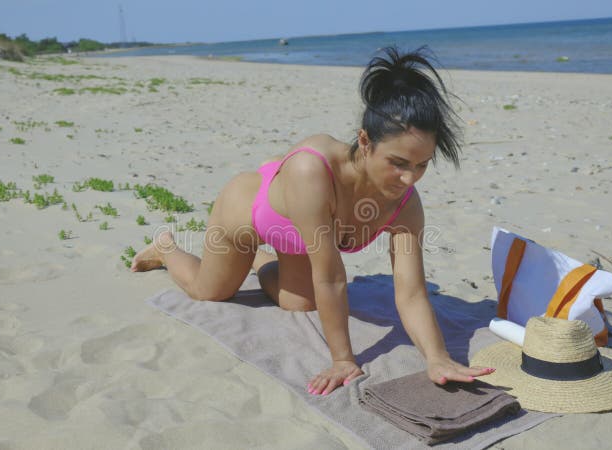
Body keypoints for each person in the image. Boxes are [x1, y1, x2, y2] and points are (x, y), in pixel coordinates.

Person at [131, 46, 495, 396]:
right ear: (365, 142)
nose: (410, 179)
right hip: (247, 215)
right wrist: (342, 360)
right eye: (398, 163)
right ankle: (166, 248)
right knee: (209, 292)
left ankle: (262, 261)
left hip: (299, 235)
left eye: (421, 165)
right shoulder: (313, 169)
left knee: (299, 304)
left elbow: (412, 292)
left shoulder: (406, 204)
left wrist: (438, 357)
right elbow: (331, 276)